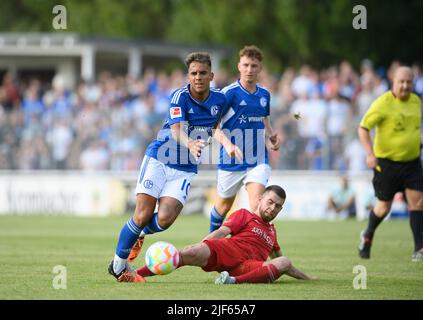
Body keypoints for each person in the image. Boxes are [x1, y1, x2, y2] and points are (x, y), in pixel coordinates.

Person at [108, 52, 237, 282]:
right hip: (160, 159)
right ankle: (118, 266)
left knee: (165, 219)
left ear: (211, 75)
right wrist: (191, 143)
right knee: (142, 214)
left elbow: (216, 127)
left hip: (185, 168)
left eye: (202, 73)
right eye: (194, 73)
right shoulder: (179, 96)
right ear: (189, 76)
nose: (198, 77)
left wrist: (227, 144)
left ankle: (140, 234)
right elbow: (176, 130)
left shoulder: (220, 100)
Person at [136, 185, 317, 284]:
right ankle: (135, 274)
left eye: (277, 206)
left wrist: (308, 278)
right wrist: (203, 244)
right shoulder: (244, 214)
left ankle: (232, 281)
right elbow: (222, 231)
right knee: (187, 253)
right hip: (226, 251)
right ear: (261, 199)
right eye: (270, 202)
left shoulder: (272, 231)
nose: (272, 208)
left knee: (284, 262)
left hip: (248, 266)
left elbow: (282, 263)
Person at [208, 45, 280, 233]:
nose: (249, 70)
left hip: (258, 160)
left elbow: (264, 118)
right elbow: (213, 126)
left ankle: (248, 250)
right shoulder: (228, 94)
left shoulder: (264, 94)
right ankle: (211, 240)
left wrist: (271, 135)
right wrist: (227, 144)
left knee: (256, 206)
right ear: (239, 66)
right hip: (231, 161)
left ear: (260, 69)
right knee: (222, 207)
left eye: (254, 66)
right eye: (246, 65)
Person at [357, 66, 423, 262]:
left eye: (408, 82)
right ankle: (367, 234)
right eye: (401, 82)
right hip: (386, 164)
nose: (404, 86)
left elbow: (413, 131)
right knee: (384, 207)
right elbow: (362, 128)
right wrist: (370, 154)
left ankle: (419, 248)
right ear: (393, 82)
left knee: (418, 202)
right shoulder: (382, 103)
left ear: (413, 83)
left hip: (412, 163)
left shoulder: (416, 101)